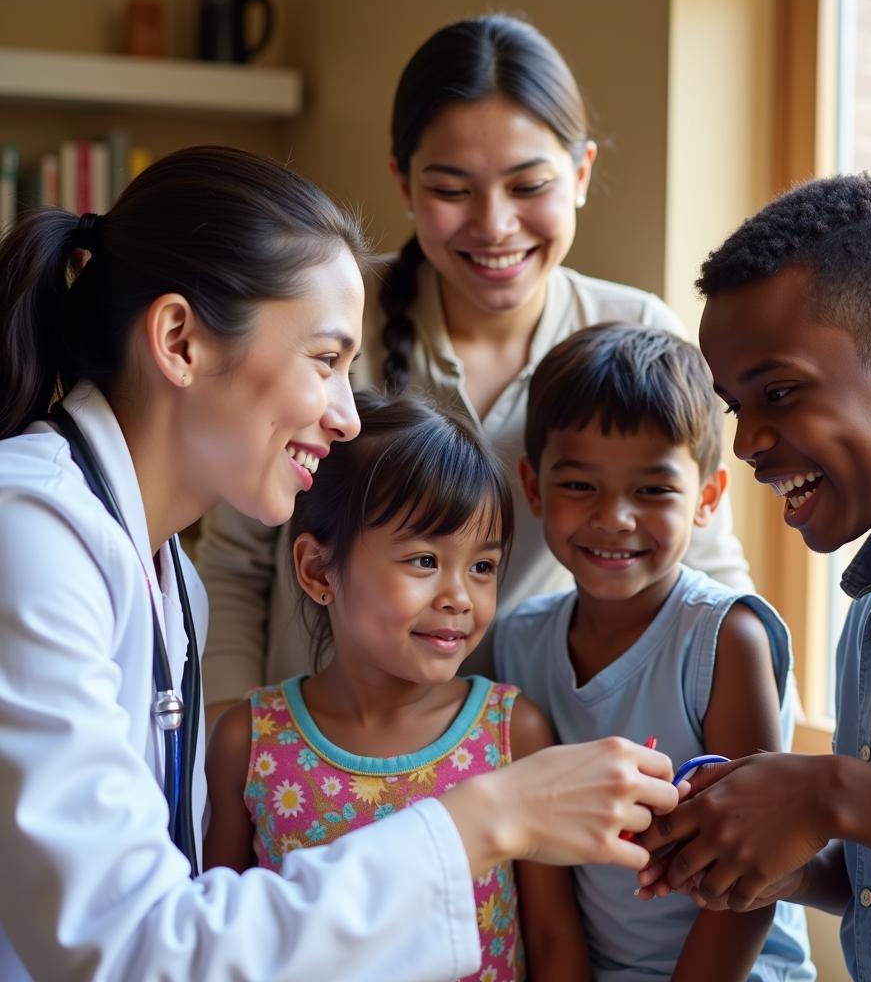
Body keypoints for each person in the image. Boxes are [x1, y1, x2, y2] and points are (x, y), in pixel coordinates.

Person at [0, 144, 681, 981]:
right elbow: (131, 947)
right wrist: (487, 819)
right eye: (325, 361)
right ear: (180, 340)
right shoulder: (29, 535)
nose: (347, 417)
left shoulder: (163, 571)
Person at [197, 13, 752, 723]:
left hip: (524, 757)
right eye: (453, 190)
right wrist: (231, 743)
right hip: (319, 752)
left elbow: (706, 569)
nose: (493, 225)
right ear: (402, 181)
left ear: (581, 173)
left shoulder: (637, 333)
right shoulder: (332, 321)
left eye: (528, 187)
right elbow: (236, 562)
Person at [635, 174, 871, 982]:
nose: (745, 445)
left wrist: (825, 795)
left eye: (779, 392)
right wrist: (796, 870)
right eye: (736, 406)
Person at [205, 390, 591, 980]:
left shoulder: (512, 735)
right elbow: (217, 932)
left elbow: (552, 936)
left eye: (482, 567)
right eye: (423, 561)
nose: (459, 596)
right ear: (317, 571)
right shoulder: (249, 742)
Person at [492, 324, 814, 981]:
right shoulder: (516, 641)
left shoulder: (726, 638)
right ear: (534, 486)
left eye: (653, 491)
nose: (614, 517)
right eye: (580, 486)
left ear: (706, 498)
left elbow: (753, 874)